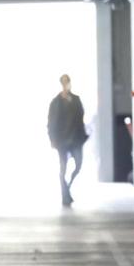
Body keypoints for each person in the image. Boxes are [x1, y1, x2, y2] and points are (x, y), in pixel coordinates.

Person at [48, 74, 88, 206]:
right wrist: (52, 139)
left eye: (68, 82)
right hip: (62, 140)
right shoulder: (56, 102)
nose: (66, 85)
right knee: (63, 168)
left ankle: (67, 188)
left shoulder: (76, 100)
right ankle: (65, 194)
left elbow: (81, 116)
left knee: (78, 166)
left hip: (75, 138)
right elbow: (51, 122)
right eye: (64, 82)